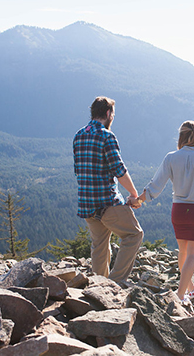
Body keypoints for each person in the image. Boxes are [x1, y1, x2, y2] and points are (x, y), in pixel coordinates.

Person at [138, 120, 194, 303]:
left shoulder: (171, 157)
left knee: (183, 252)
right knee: (193, 254)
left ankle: (191, 288)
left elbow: (156, 185)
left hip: (178, 210)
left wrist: (139, 200)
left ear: (181, 136)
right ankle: (180, 294)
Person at [73, 96, 143, 283]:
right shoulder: (106, 136)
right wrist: (134, 194)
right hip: (107, 202)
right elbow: (119, 170)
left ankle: (98, 287)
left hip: (87, 203)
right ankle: (115, 282)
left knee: (100, 246)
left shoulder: (78, 135)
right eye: (113, 113)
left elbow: (78, 169)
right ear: (107, 113)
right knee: (134, 235)